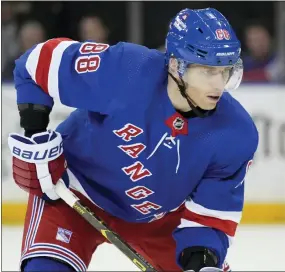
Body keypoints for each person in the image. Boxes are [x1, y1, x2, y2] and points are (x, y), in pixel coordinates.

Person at [8, 8, 258, 272]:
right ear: (175, 65)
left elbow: (210, 218)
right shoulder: (124, 70)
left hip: (158, 218)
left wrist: (201, 261)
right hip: (72, 190)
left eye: (225, 70)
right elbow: (35, 63)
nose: (219, 84)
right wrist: (35, 135)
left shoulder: (236, 133)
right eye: (207, 70)